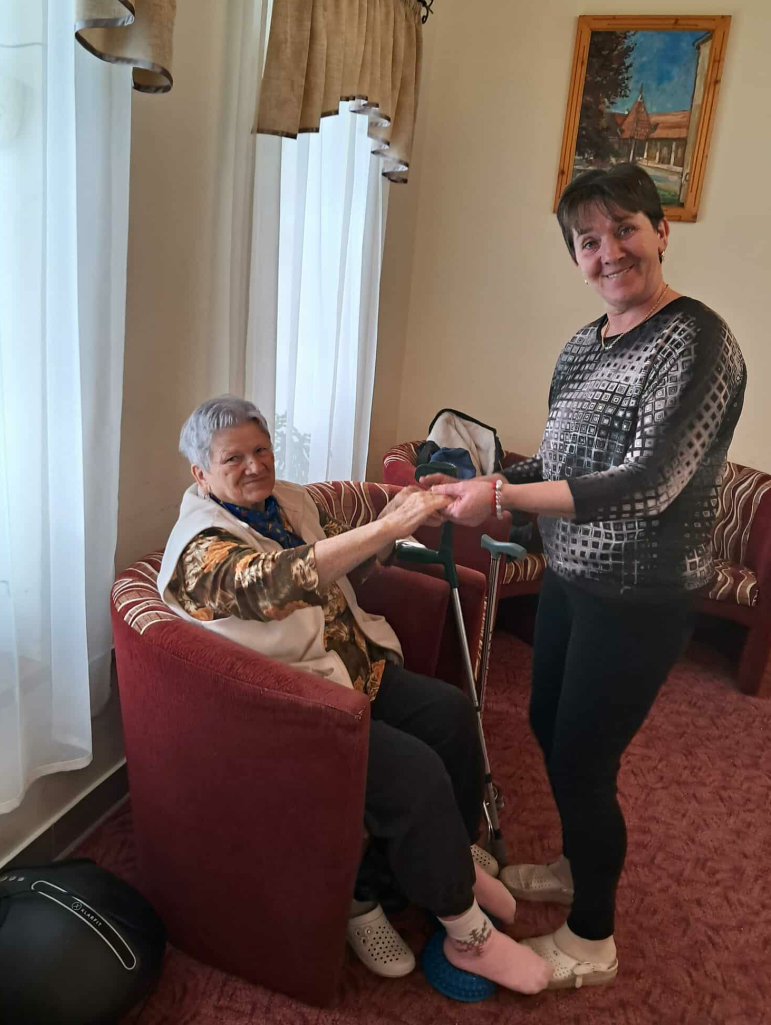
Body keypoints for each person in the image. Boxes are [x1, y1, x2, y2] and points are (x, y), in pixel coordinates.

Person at [423, 164, 746, 991]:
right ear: (575, 256)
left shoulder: (697, 340)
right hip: (572, 579)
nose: (610, 253)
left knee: (582, 762)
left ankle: (593, 940)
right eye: (589, 241)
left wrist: (500, 497)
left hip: (641, 594)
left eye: (625, 230)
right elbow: (559, 463)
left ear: (661, 231)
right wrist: (479, 481)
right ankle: (576, 866)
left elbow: (648, 484)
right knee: (548, 723)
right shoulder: (581, 345)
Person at [158, 395, 553, 993]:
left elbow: (344, 564)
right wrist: (386, 526)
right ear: (201, 473)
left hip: (350, 667)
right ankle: (466, 935)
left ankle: (449, 857)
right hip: (295, 704)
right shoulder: (198, 550)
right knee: (415, 772)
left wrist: (397, 520)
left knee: (451, 714)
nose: (255, 466)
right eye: (233, 458)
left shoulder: (286, 501)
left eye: (261, 449)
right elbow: (271, 584)